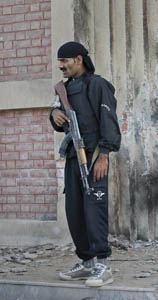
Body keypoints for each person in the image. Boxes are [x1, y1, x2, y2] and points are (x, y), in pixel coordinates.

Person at [49, 41, 121, 287]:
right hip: (73, 155)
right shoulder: (65, 89)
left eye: (64, 61)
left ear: (78, 59)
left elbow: (109, 122)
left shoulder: (98, 85)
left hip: (93, 155)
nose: (61, 66)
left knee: (95, 209)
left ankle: (103, 264)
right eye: (60, 61)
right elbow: (59, 115)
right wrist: (54, 116)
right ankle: (87, 263)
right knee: (75, 210)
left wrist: (104, 155)